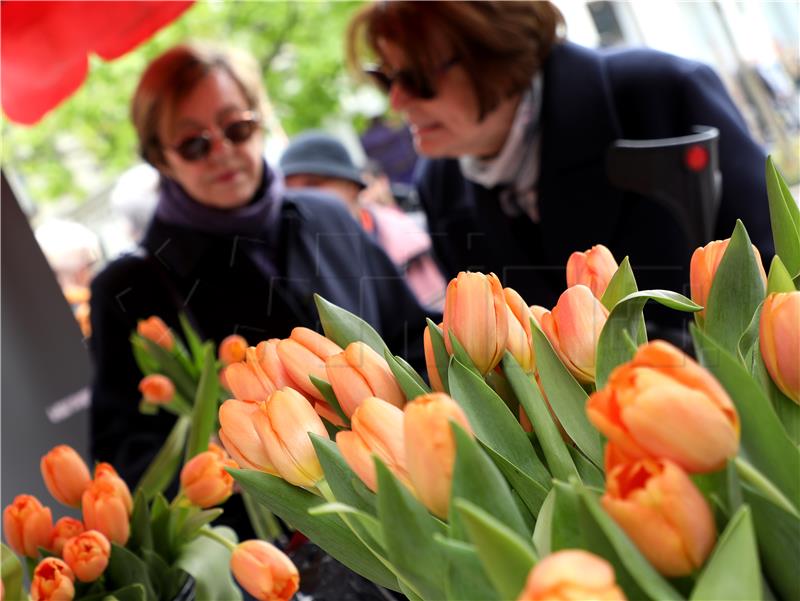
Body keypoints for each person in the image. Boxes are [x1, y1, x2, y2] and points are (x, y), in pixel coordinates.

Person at [88, 42, 430, 490]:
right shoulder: (130, 287)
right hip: (284, 537)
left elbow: (409, 336)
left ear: (260, 119)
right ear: (160, 157)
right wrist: (234, 461)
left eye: (237, 127)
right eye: (194, 143)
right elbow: (128, 453)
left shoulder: (327, 215)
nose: (222, 151)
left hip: (407, 470)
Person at [345, 1, 774, 334]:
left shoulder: (658, 93)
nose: (397, 100)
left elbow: (779, 270)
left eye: (417, 77)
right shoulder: (440, 184)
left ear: (498, 50)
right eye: (386, 77)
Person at [279, 130, 446, 310]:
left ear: (351, 186)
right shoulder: (295, 266)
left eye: (313, 185)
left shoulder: (416, 237)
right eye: (289, 191)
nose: (301, 197)